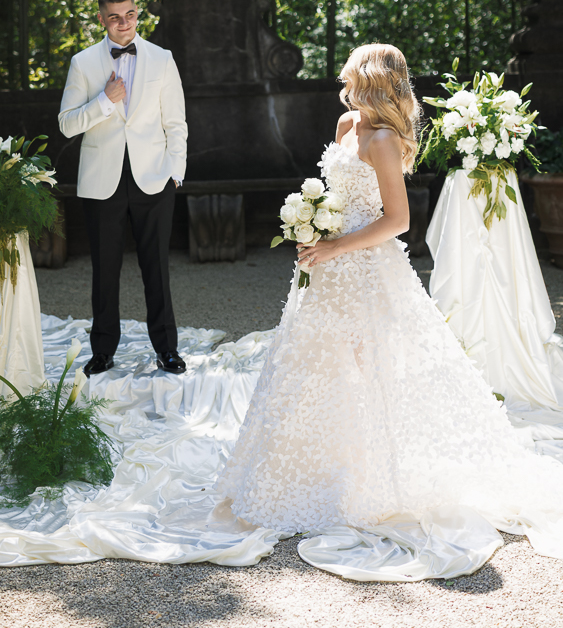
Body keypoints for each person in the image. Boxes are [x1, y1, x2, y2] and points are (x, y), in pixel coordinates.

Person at [216, 43, 563, 544]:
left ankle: (374, 476)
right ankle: (321, 465)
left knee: (371, 365)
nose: (343, 81)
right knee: (315, 361)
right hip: (326, 263)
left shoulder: (382, 139)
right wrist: (313, 222)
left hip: (365, 266)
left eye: (350, 74)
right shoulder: (345, 124)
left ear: (372, 80)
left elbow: (398, 220)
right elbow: (334, 191)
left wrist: (336, 246)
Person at [59, 0, 188, 377]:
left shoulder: (162, 59)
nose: (124, 23)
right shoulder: (83, 63)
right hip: (102, 182)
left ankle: (166, 349)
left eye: (129, 14)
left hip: (154, 179)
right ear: (102, 19)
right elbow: (66, 125)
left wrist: (176, 174)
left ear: (136, 13)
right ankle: (102, 351)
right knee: (104, 269)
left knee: (157, 268)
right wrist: (104, 100)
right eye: (114, 17)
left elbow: (176, 123)